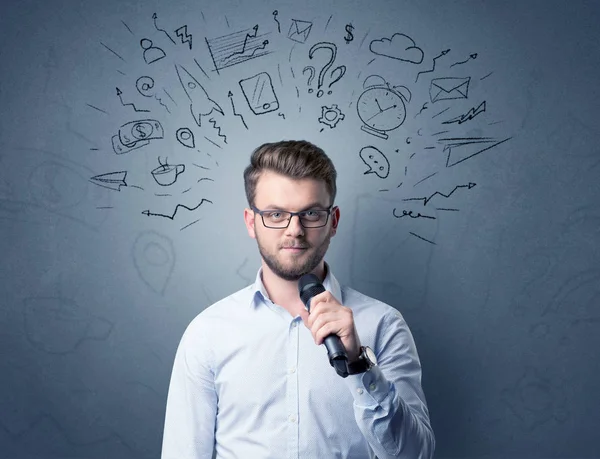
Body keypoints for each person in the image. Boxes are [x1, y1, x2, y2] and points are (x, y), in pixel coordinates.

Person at [161, 140, 435, 458]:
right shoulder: (207, 332)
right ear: (251, 222)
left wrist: (360, 365)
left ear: (333, 221)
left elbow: (415, 455)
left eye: (311, 213)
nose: (295, 230)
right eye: (276, 214)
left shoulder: (383, 324)